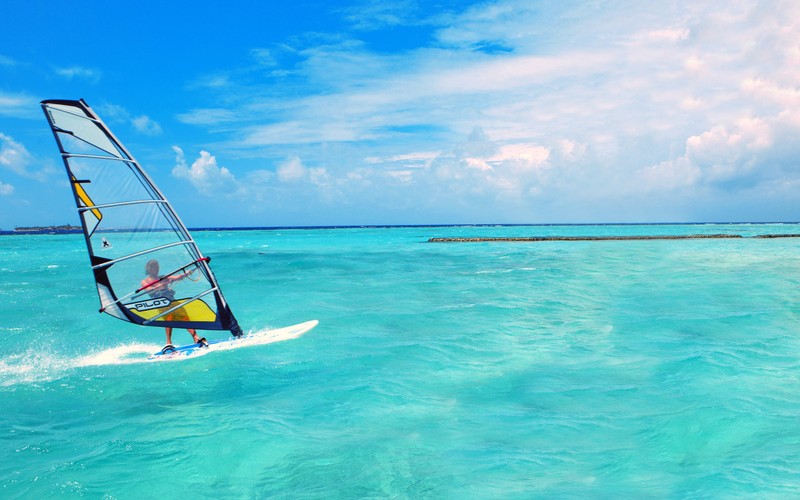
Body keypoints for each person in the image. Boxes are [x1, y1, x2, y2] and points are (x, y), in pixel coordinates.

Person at [140, 259, 208, 352]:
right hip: (162, 303)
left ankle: (196, 337)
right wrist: (161, 284)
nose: (156, 269)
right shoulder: (145, 281)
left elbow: (178, 277)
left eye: (157, 267)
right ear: (149, 269)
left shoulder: (163, 277)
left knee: (185, 318)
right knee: (169, 319)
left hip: (172, 301)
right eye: (154, 267)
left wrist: (188, 272)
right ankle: (168, 342)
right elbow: (149, 289)